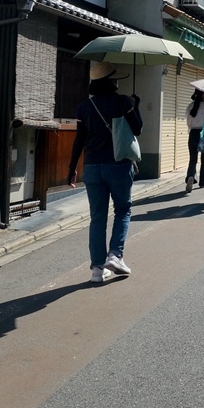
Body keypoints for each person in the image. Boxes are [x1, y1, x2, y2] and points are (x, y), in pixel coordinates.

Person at [67, 61, 143, 284]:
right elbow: (138, 129)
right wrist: (135, 106)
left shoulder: (84, 107)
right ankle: (115, 256)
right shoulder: (123, 102)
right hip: (118, 165)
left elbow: (79, 140)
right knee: (123, 210)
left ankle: (97, 270)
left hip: (92, 167)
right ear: (111, 81)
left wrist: (72, 169)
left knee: (97, 217)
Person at [184, 88, 204, 193]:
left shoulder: (190, 106)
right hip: (203, 134)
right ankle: (203, 182)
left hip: (193, 133)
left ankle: (191, 176)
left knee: (193, 159)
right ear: (203, 94)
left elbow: (188, 123)